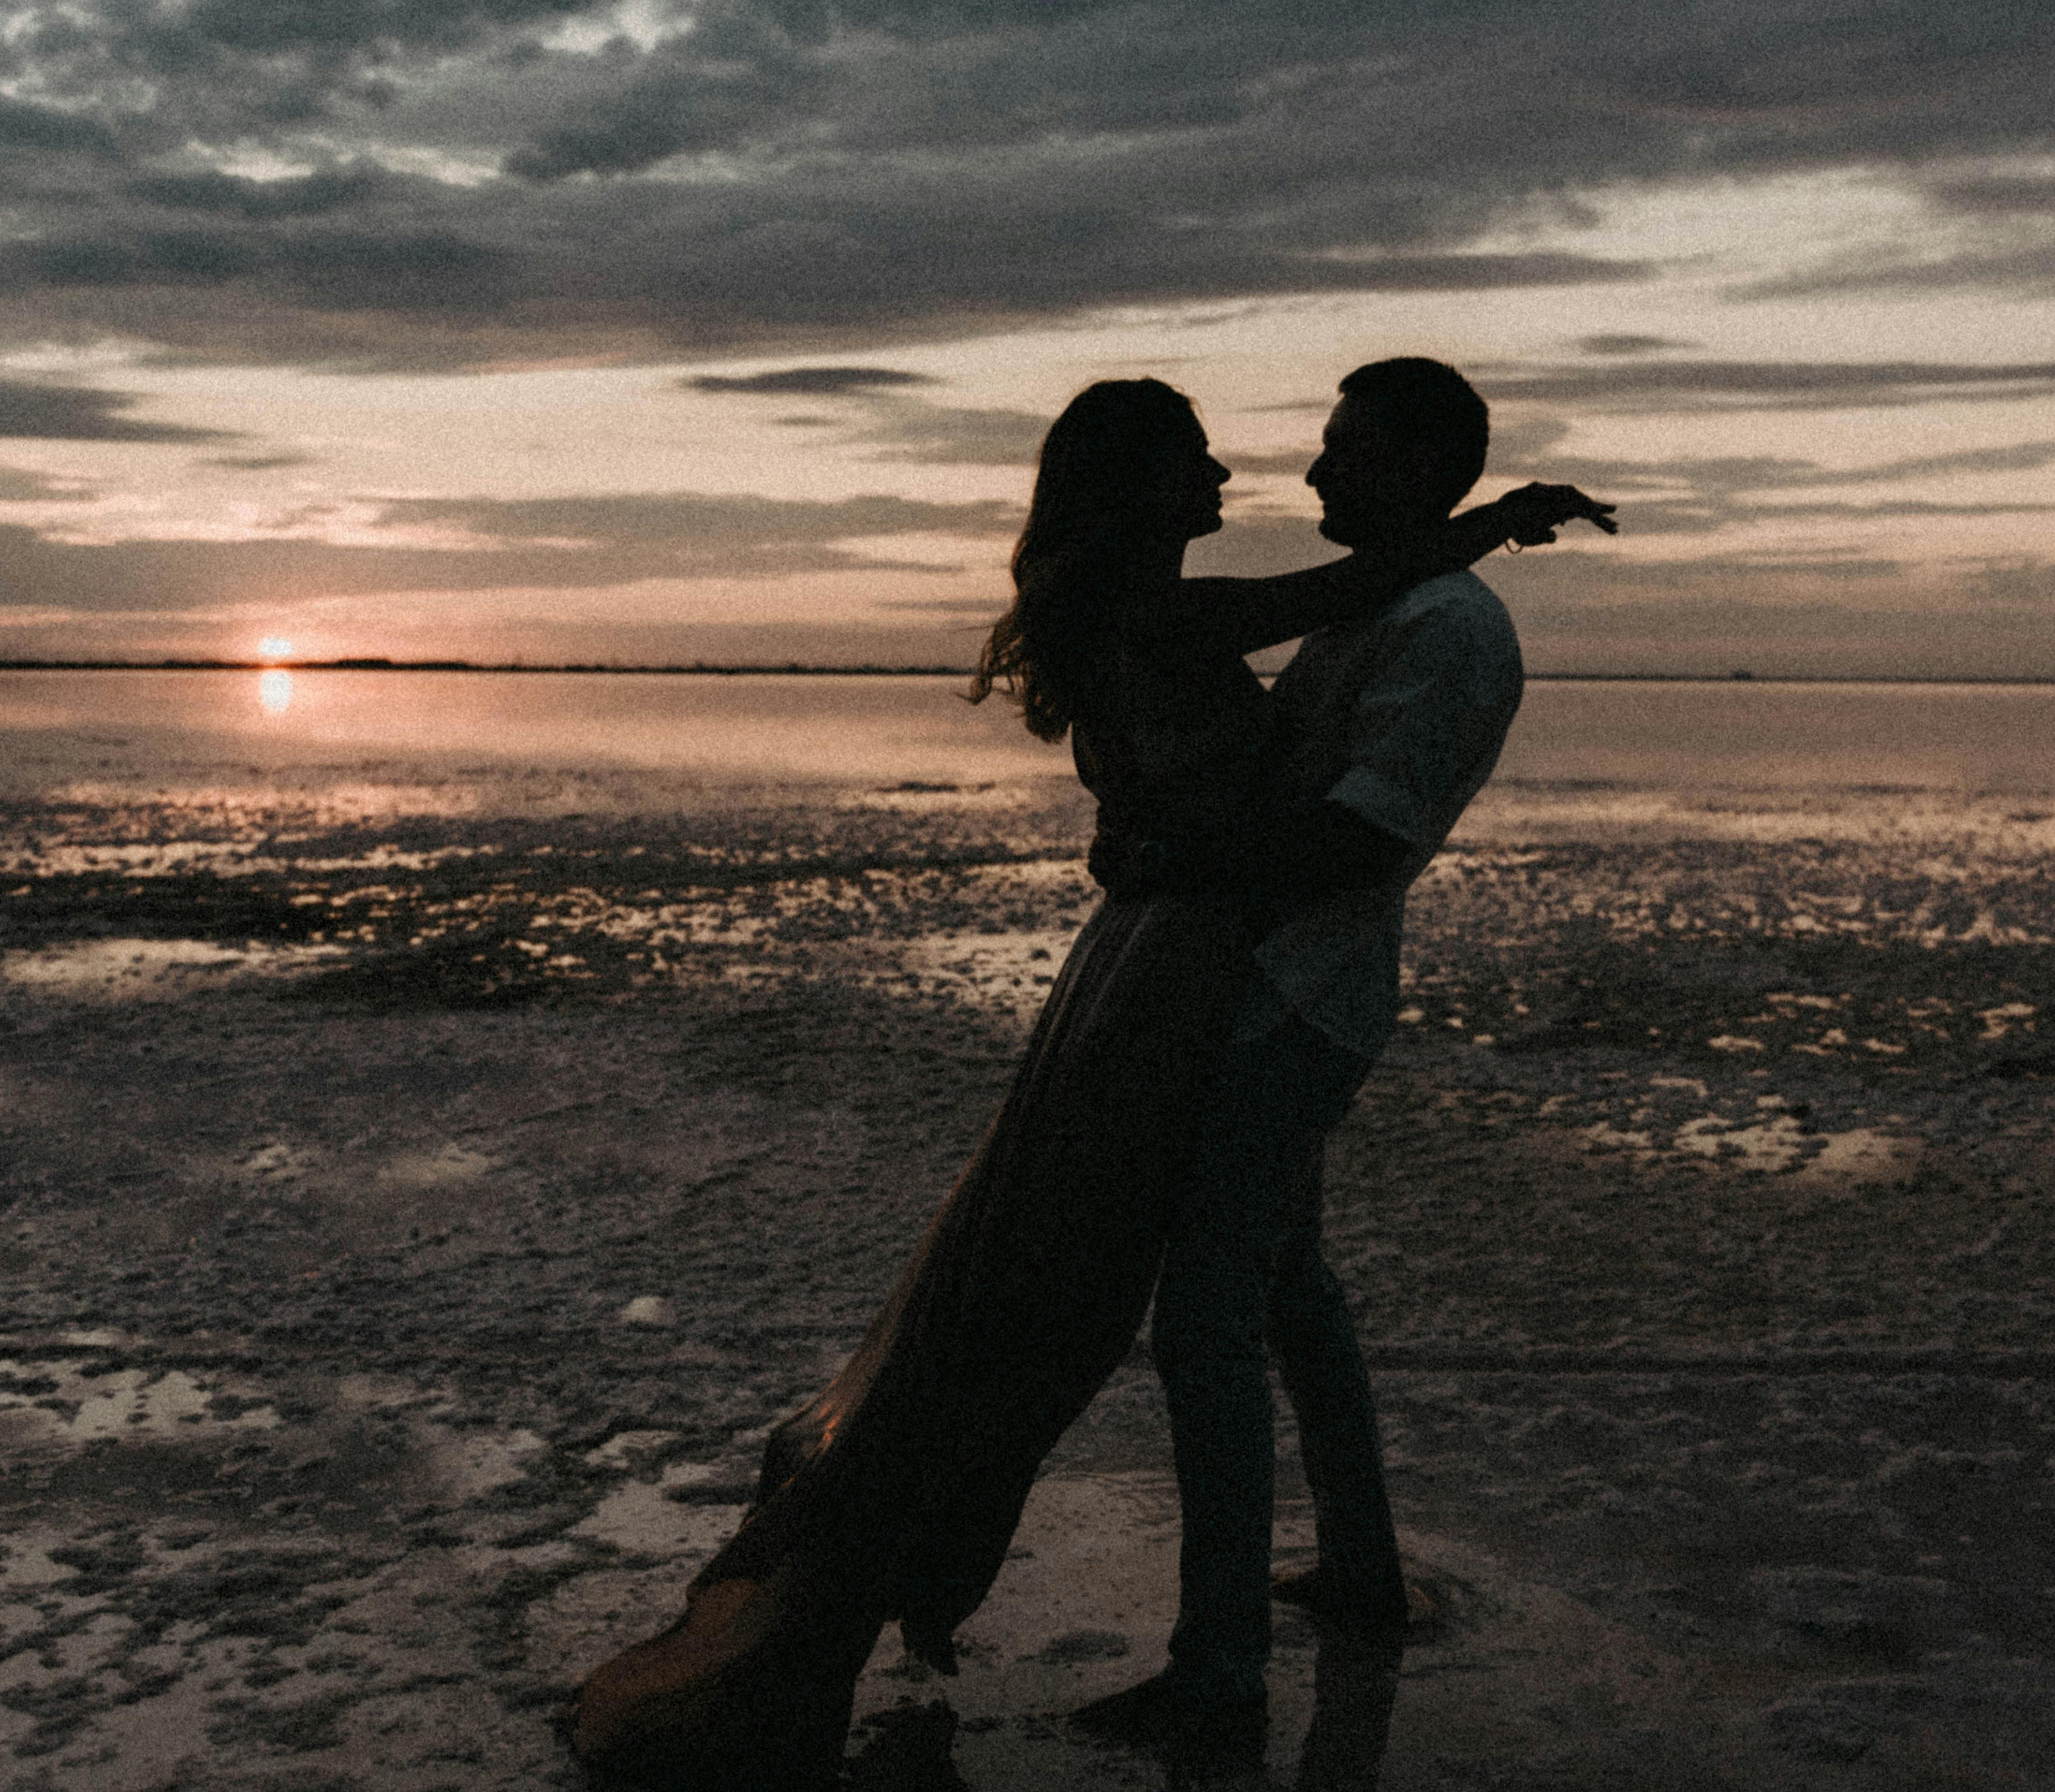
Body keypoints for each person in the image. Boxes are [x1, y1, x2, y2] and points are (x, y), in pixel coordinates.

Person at [569, 372, 1612, 1790]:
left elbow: (1355, 832)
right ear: (1135, 493)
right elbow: (1313, 643)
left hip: (1260, 983)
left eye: (1341, 448)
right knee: (1238, 1288)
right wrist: (1492, 519)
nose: (1271, 470)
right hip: (1195, 974)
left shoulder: (1415, 622)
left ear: (1419, 461)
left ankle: (1232, 1662)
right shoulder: (1198, 608)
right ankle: (1302, 1606)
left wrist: (1172, 854)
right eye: (1203, 459)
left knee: (1232, 1304)